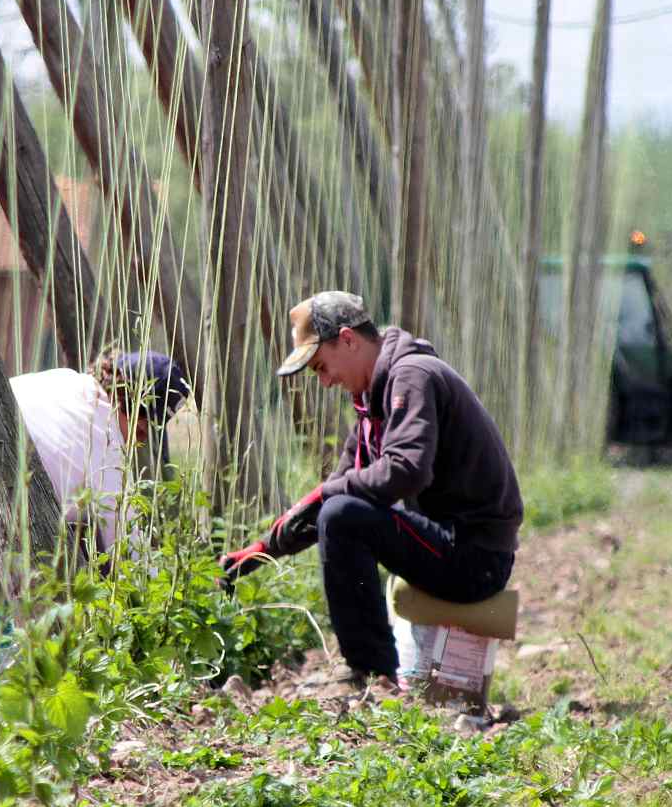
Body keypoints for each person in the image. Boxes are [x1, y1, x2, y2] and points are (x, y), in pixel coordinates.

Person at [220, 291, 522, 689]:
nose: (326, 381)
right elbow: (336, 488)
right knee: (340, 511)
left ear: (347, 339)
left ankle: (372, 673)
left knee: (343, 516)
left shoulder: (412, 377)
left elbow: (405, 472)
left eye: (321, 367)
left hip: (476, 558)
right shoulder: (372, 400)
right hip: (453, 546)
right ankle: (372, 670)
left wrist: (334, 493)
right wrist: (263, 549)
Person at [0, 350, 189, 647]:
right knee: (88, 547)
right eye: (142, 431)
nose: (137, 441)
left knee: (61, 528)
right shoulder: (104, 437)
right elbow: (125, 554)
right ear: (134, 409)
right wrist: (163, 607)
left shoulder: (63, 382)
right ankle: (44, 651)